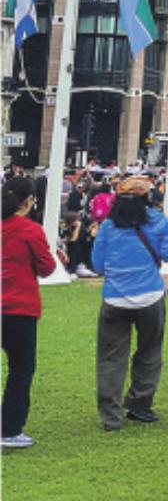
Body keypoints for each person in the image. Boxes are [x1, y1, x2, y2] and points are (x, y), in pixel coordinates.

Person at [93, 174, 168, 431]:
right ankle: (140, 404)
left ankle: (111, 415)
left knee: (111, 358)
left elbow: (97, 265)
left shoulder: (108, 226)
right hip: (150, 297)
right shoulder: (159, 221)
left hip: (114, 299)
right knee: (149, 352)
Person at [3, 176, 62, 449]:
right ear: (28, 201)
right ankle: (9, 428)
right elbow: (47, 268)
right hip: (19, 307)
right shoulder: (29, 230)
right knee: (21, 368)